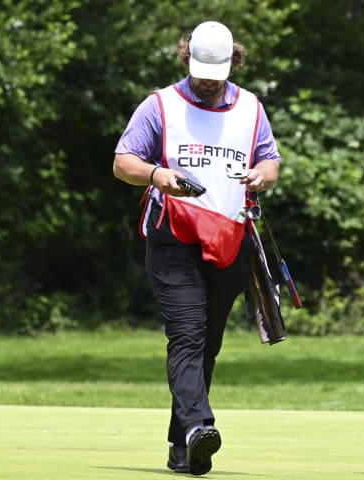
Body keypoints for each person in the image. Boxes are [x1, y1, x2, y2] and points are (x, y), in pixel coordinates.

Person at [112, 20, 281, 476]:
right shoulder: (159, 105)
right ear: (186, 57)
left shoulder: (250, 107)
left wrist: (265, 175)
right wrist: (157, 175)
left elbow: (269, 159)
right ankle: (199, 427)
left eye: (219, 70)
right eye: (202, 68)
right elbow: (123, 161)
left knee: (207, 346)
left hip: (231, 239)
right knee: (186, 335)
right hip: (173, 238)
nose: (209, 79)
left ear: (235, 62)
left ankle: (180, 447)